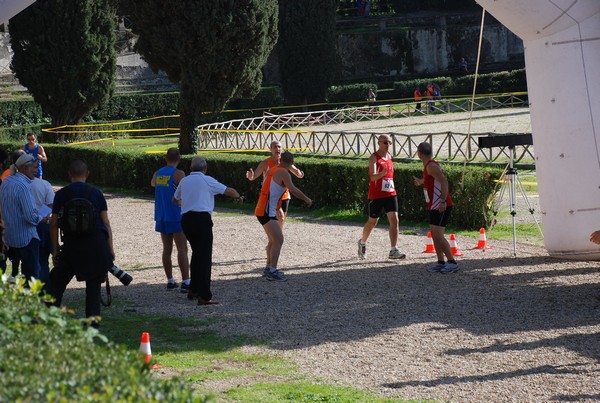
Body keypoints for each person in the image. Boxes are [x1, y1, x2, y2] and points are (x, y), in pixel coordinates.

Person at [49, 159, 115, 325]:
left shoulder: (61, 194)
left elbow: (54, 223)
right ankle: (92, 327)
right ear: (87, 174)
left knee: (55, 285)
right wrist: (110, 249)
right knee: (93, 290)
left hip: (71, 247)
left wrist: (55, 250)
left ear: (69, 174)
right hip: (96, 246)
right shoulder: (97, 193)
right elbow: (106, 223)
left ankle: (49, 320)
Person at [173, 156, 241, 305]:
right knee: (204, 258)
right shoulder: (207, 180)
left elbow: (175, 199)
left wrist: (185, 204)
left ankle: (194, 289)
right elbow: (227, 190)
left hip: (186, 220)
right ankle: (204, 295)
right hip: (202, 220)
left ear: (191, 168)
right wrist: (237, 196)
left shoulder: (184, 181)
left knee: (197, 253)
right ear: (205, 168)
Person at [255, 151, 312, 282]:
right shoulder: (283, 173)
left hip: (262, 208)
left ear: (280, 160)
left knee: (272, 239)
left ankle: (268, 267)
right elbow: (293, 189)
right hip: (267, 210)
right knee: (279, 239)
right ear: (292, 163)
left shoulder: (274, 169)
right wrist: (307, 199)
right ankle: (272, 271)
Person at [0, 153, 49, 282]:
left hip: (11, 235)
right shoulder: (23, 186)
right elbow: (30, 216)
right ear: (24, 168)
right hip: (26, 238)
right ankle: (32, 300)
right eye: (33, 167)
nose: (36, 170)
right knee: (32, 274)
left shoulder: (7, 181)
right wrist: (42, 219)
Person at [358, 134, 406, 260]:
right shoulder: (374, 157)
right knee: (372, 222)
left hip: (390, 193)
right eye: (385, 142)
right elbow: (373, 176)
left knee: (394, 220)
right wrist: (382, 173)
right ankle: (362, 243)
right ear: (379, 143)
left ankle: (393, 249)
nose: (388, 145)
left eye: (390, 142)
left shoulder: (390, 157)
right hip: (376, 195)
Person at [413, 142, 458, 273]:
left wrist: (443, 201)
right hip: (434, 204)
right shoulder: (428, 166)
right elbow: (431, 180)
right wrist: (420, 181)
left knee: (438, 234)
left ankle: (452, 261)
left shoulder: (431, 166)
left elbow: (444, 181)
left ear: (419, 154)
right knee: (434, 233)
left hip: (441, 205)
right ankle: (440, 261)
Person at [151, 148, 191, 292]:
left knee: (166, 249)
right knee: (182, 248)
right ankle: (186, 281)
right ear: (179, 159)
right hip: (175, 215)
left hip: (161, 215)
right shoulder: (179, 174)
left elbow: (153, 184)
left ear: (165, 158)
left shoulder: (157, 173)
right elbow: (186, 189)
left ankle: (170, 280)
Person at [246, 140, 304, 228]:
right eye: (275, 147)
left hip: (284, 195)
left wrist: (300, 174)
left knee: (282, 219)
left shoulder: (285, 162)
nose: (277, 149)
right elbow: (253, 177)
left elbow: (298, 173)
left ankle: (278, 236)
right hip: (271, 196)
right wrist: (250, 176)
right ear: (271, 149)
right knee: (278, 217)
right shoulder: (265, 163)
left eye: (279, 147)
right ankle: (276, 237)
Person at [30, 176, 54, 284]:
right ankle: (44, 287)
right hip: (43, 224)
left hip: (28, 225)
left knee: (30, 259)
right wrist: (41, 217)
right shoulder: (44, 184)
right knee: (43, 259)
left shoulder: (18, 184)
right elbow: (51, 203)